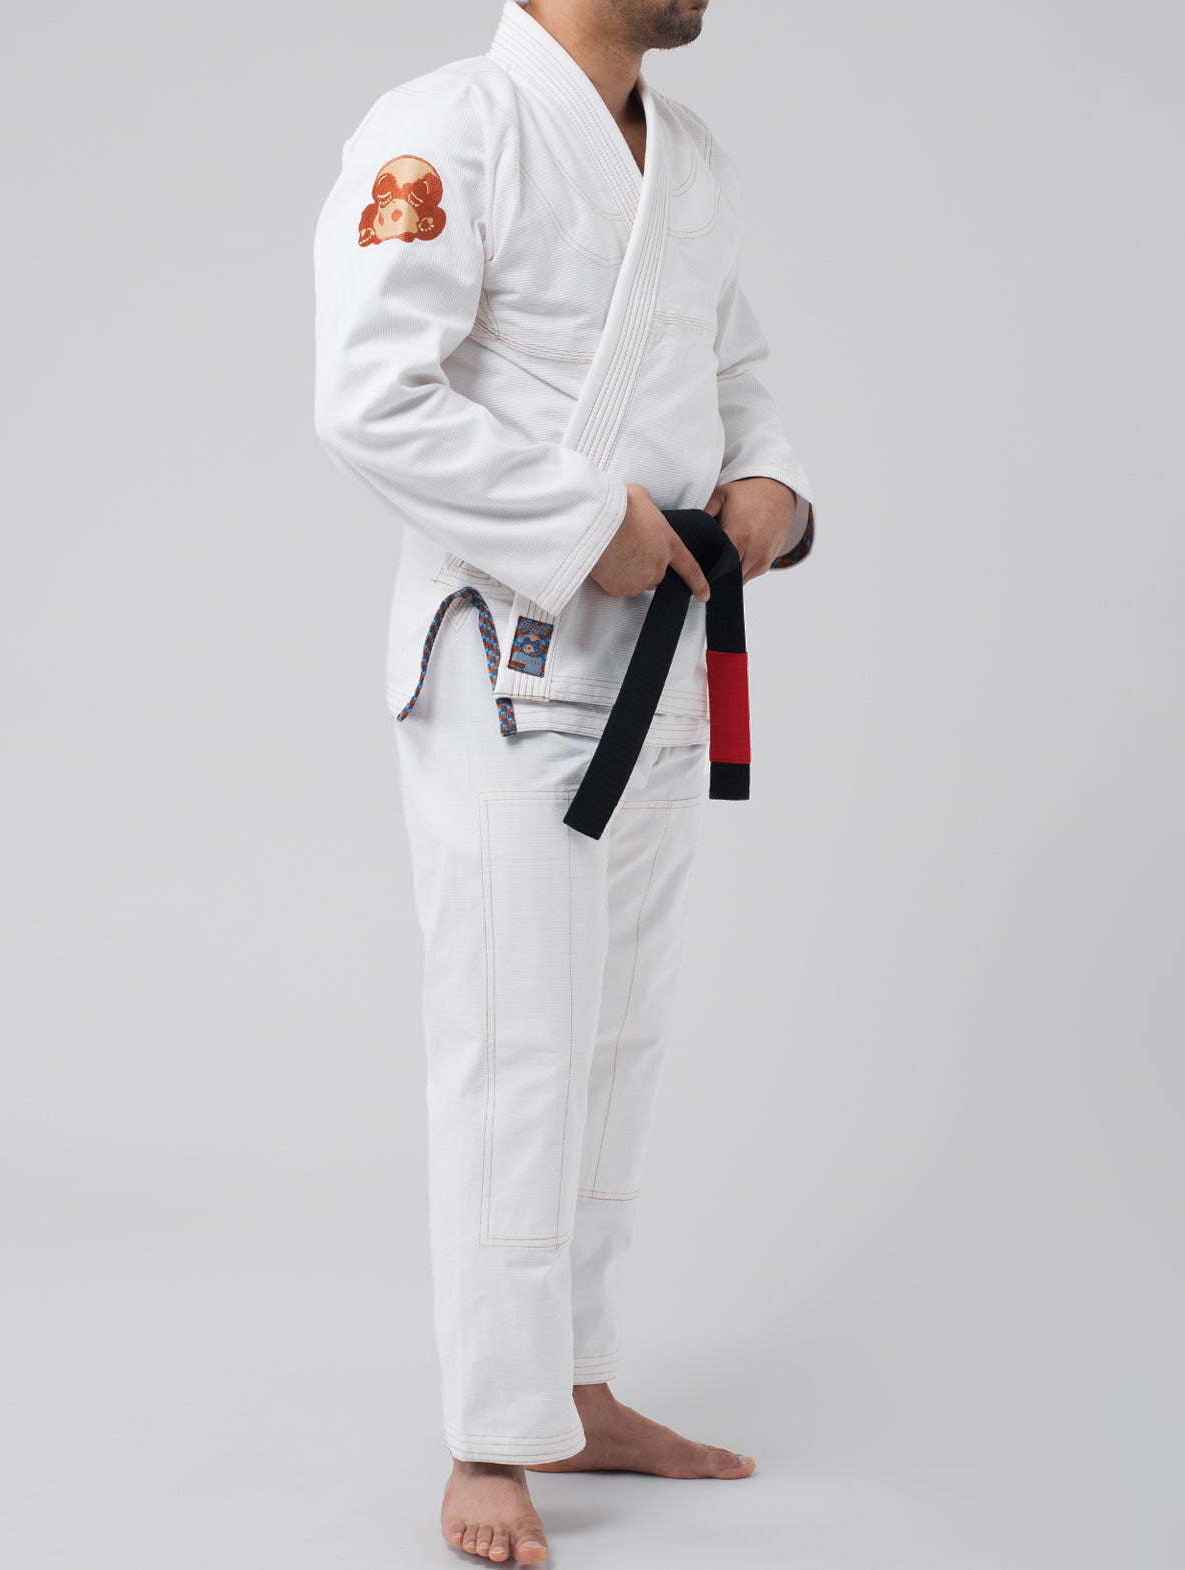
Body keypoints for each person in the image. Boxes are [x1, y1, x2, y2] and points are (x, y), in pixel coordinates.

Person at [312, 0, 816, 1560]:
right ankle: (492, 1432)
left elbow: (739, 372)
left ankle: (575, 1385)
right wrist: (586, 524)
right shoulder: (444, 128)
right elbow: (373, 395)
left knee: (615, 1040)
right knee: (515, 1041)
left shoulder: (692, 158)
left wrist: (772, 484)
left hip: (655, 665)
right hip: (506, 656)